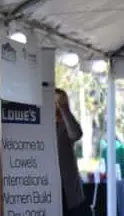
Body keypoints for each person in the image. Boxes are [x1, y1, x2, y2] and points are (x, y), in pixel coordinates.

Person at [55, 88, 91, 216]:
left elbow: (76, 134)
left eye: (58, 101)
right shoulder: (42, 125)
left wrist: (64, 109)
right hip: (49, 186)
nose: (55, 104)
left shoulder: (66, 124)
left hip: (69, 189)